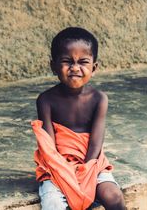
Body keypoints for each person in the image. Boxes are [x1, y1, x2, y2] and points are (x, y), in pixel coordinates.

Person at [32, 27, 126, 210]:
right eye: (67, 61)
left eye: (83, 62)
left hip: (91, 163)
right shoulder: (46, 100)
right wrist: (66, 173)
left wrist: (85, 173)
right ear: (53, 66)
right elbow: (49, 147)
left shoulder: (99, 99)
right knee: (53, 204)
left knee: (113, 195)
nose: (75, 68)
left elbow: (96, 144)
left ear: (94, 67)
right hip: (57, 167)